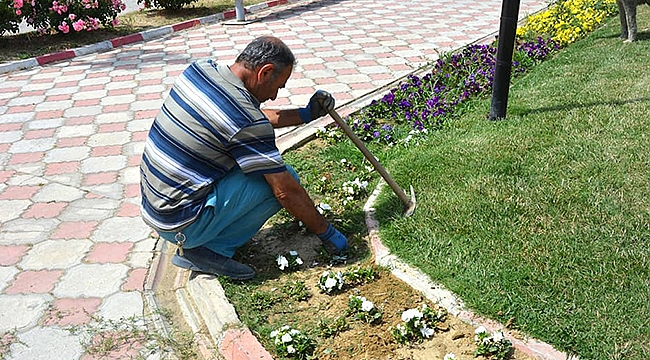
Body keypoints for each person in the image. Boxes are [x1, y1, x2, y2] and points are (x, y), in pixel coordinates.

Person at [140, 36, 348, 280]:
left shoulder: (200, 71)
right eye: (277, 86)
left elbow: (248, 118)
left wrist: (305, 114)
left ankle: (202, 238)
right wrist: (327, 232)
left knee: (250, 165)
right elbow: (285, 191)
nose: (274, 96)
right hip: (179, 224)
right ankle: (206, 251)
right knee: (282, 180)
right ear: (265, 72)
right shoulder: (245, 120)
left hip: (156, 207)